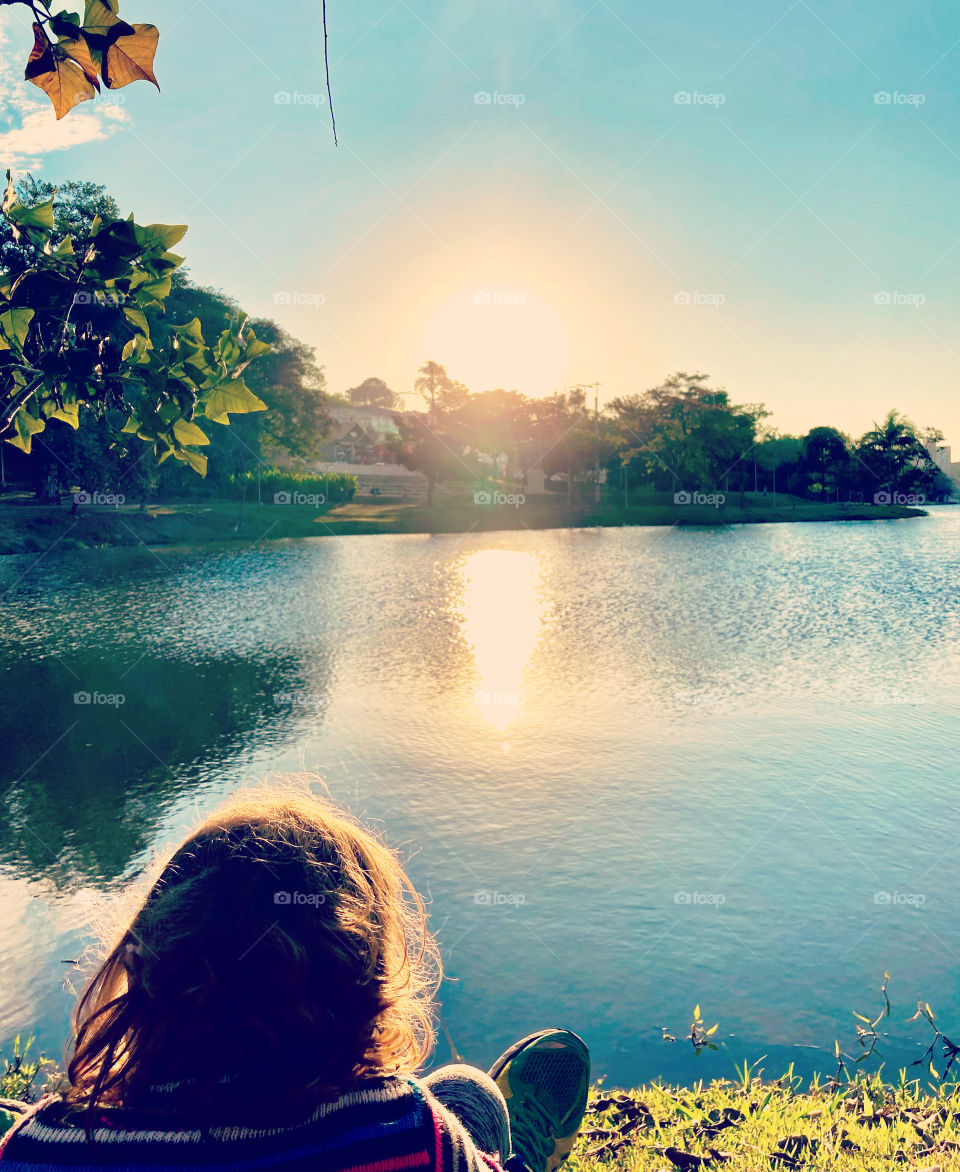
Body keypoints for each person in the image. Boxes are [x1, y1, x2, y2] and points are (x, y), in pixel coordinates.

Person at [0, 791, 590, 1171]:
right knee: (470, 1093)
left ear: (147, 969)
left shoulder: (36, 1151)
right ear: (364, 990)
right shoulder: (404, 1130)